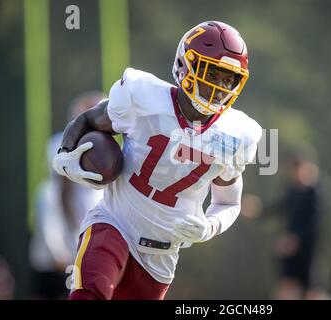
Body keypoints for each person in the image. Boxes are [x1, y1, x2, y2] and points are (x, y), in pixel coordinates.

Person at [52, 21, 262, 300]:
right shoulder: (143, 96)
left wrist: (209, 227)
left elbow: (228, 202)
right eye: (210, 72)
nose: (219, 86)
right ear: (185, 65)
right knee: (89, 294)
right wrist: (65, 156)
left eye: (227, 79)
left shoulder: (237, 135)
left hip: (162, 255)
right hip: (115, 223)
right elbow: (90, 118)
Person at [29, 92, 105, 299]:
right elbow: (54, 202)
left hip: (85, 254)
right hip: (58, 260)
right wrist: (60, 252)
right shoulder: (49, 193)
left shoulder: (106, 163)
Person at [272, 154, 324, 299]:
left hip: (307, 249)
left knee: (312, 290)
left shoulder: (314, 192)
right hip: (290, 249)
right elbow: (279, 207)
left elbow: (313, 223)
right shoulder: (291, 191)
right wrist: (258, 210)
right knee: (286, 286)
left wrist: (295, 239)